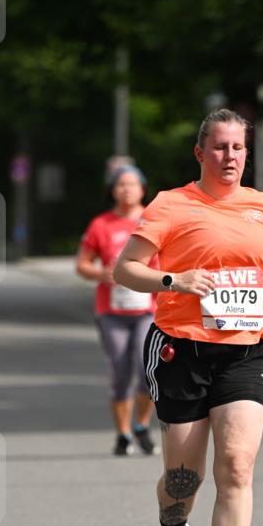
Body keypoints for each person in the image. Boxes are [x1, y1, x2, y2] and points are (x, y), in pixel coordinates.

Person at [114, 108, 263, 526]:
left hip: (248, 348)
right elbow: (124, 268)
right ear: (201, 153)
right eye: (220, 147)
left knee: (236, 465)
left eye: (238, 148)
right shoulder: (171, 205)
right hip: (183, 348)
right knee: (182, 480)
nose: (230, 156)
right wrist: (176, 281)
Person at [77, 165, 160, 456]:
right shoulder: (102, 224)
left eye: (132, 184)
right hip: (111, 311)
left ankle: (141, 424)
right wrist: (101, 274)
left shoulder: (155, 219)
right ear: (113, 190)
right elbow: (82, 264)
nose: (126, 189)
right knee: (120, 374)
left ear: (142, 189)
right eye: (121, 184)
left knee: (147, 369)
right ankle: (123, 434)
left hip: (148, 309)